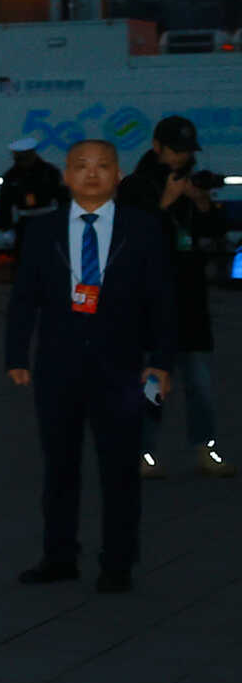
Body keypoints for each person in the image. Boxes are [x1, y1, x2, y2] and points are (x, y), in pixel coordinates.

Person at [6, 136, 174, 591]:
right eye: (81, 165)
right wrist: (16, 354)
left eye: (103, 166)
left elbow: (161, 300)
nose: (92, 173)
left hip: (120, 367)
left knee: (119, 468)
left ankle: (117, 563)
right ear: (67, 175)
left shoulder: (142, 228)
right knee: (59, 467)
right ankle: (59, 556)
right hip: (58, 367)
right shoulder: (43, 231)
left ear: (118, 175)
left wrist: (160, 361)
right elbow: (24, 298)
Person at [119, 115, 226, 477]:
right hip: (151, 304)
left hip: (191, 302)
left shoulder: (191, 183)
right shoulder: (137, 186)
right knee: (153, 385)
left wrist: (202, 205)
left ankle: (205, 449)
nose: (181, 158)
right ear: (157, 147)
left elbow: (214, 236)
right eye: (175, 151)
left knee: (201, 386)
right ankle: (143, 454)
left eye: (186, 152)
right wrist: (163, 203)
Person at [0, 136, 64, 224]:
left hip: (48, 218)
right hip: (24, 220)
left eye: (22, 157)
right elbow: (5, 202)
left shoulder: (49, 172)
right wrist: (6, 226)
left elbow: (62, 196)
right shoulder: (12, 175)